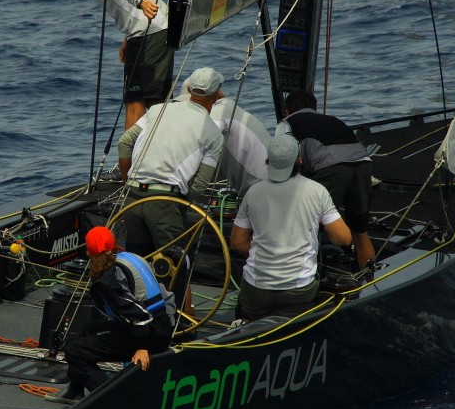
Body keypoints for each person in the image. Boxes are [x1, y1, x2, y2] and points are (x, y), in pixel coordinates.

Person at [40, 0, 175, 130]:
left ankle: (132, 162)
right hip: (150, 31)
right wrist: (127, 39)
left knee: (135, 102)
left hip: (149, 33)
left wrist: (141, 1)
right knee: (157, 102)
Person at [230, 133, 352, 323]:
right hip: (298, 289)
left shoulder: (252, 193)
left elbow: (237, 243)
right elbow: (343, 238)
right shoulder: (317, 191)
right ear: (299, 160)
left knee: (249, 322)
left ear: (269, 161)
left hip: (256, 288)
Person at [46, 226, 176, 404]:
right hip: (161, 324)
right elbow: (163, 294)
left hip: (147, 334)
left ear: (88, 251)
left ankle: (111, 398)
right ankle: (75, 391)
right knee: (88, 329)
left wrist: (142, 347)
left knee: (74, 351)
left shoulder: (107, 282)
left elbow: (139, 316)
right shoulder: (132, 258)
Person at [117, 67, 224, 259]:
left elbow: (125, 142)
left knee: (137, 266)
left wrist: (127, 182)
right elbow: (199, 184)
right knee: (174, 269)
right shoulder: (214, 133)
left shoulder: (158, 109)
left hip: (132, 198)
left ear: (190, 89)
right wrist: (179, 204)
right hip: (165, 203)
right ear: (216, 95)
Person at [279, 90, 376, 271]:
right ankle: (369, 278)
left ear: (287, 111)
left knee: (308, 223)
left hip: (331, 168)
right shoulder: (333, 119)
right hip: (363, 163)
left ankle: (302, 275)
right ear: (314, 107)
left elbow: (285, 161)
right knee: (360, 229)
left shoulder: (287, 124)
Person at [176, 71, 270, 196]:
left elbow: (201, 138)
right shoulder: (228, 107)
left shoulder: (220, 110)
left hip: (259, 184)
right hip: (256, 181)